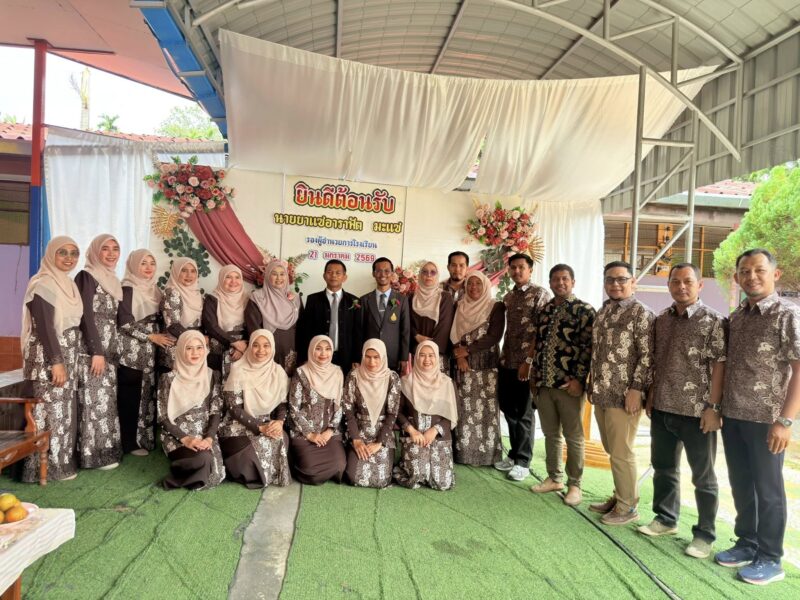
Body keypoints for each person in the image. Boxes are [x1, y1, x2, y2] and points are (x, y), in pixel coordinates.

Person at [714, 249, 800, 586]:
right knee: (741, 484)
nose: (752, 276)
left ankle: (770, 557)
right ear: (737, 277)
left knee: (768, 489)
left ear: (775, 275)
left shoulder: (787, 315)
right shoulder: (737, 317)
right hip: (734, 416)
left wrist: (786, 421)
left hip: (768, 420)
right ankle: (747, 542)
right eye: (745, 271)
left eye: (759, 270)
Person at [637, 263, 725, 559]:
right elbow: (656, 362)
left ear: (700, 285)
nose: (681, 286)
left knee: (703, 476)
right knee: (663, 468)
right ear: (669, 285)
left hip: (697, 412)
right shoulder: (662, 319)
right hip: (663, 407)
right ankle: (665, 518)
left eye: (688, 281)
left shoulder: (714, 321)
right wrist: (652, 394)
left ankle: (704, 535)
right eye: (675, 281)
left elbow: (720, 366)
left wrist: (713, 407)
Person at [589, 260, 654, 526]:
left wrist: (637, 389)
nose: (615, 284)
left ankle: (628, 507)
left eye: (621, 279)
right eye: (610, 279)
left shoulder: (641, 313)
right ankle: (620, 496)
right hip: (601, 391)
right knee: (611, 448)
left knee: (621, 451)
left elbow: (648, 356)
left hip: (624, 395)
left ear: (633, 282)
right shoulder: (604, 311)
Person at [529, 264, 595, 507]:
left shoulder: (584, 310)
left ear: (573, 282)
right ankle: (554, 478)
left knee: (573, 436)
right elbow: (538, 344)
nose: (560, 283)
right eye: (555, 279)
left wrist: (579, 380)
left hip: (569, 385)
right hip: (545, 383)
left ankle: (575, 484)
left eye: (565, 279)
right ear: (550, 282)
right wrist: (535, 377)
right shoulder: (545, 310)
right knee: (550, 434)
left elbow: (588, 349)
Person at [20, 236, 84, 482]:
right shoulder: (43, 283)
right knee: (48, 413)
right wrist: (56, 361)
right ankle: (41, 469)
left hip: (66, 355)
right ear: (50, 255)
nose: (69, 258)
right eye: (62, 252)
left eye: (74, 253)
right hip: (47, 358)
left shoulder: (68, 284)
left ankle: (59, 465)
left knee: (61, 413)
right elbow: (45, 328)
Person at [495, 253, 551, 482]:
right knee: (509, 410)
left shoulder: (540, 294)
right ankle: (514, 453)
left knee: (524, 413)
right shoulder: (509, 297)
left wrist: (528, 362)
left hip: (526, 365)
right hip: (507, 360)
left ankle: (523, 462)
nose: (517, 271)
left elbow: (542, 332)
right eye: (513, 268)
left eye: (521, 267)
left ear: (530, 270)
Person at [117, 249, 174, 456]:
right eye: (143, 263)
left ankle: (144, 440)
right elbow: (124, 322)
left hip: (152, 352)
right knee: (131, 396)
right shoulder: (127, 288)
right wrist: (151, 337)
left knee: (147, 396)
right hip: (133, 351)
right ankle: (129, 443)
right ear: (133, 265)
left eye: (152, 263)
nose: (149, 267)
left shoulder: (156, 290)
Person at [74, 233, 123, 470]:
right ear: (95, 251)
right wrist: (96, 351)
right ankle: (92, 456)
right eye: (105, 248)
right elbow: (85, 315)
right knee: (93, 402)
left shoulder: (112, 279)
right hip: (92, 351)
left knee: (105, 401)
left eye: (115, 248)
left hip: (108, 350)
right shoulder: (87, 276)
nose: (111, 253)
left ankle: (106, 452)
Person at [219, 329, 291, 489]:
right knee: (250, 455)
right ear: (250, 346)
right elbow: (234, 408)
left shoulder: (278, 371)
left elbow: (282, 403)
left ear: (272, 347)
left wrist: (279, 422)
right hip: (237, 424)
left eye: (266, 345)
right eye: (256, 345)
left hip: (267, 421)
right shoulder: (238, 369)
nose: (261, 350)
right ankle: (251, 474)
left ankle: (266, 473)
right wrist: (259, 427)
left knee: (281, 438)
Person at [157, 330, 225, 490]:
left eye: (199, 347)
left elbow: (216, 410)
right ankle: (175, 477)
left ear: (205, 350)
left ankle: (190, 467)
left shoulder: (212, 375)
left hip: (205, 434)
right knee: (203, 459)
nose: (195, 353)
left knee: (214, 470)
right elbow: (162, 417)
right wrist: (186, 439)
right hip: (177, 436)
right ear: (181, 350)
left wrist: (209, 438)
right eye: (189, 348)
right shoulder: (168, 379)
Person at [450, 271, 505, 465]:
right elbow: (453, 333)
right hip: (464, 367)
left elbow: (494, 336)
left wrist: (467, 351)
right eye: (470, 284)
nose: (474, 287)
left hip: (487, 367)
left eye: (478, 283)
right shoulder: (459, 305)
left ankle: (488, 456)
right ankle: (464, 454)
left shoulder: (495, 306)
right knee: (465, 410)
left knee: (487, 412)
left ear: (485, 286)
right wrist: (459, 357)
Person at [393, 341, 457, 490]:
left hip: (439, 437)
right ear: (416, 358)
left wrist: (435, 430)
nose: (427, 359)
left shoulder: (447, 383)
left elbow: (453, 414)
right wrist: (411, 430)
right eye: (422, 355)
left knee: (442, 483)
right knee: (416, 476)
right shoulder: (406, 382)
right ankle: (404, 465)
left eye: (431, 355)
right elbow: (397, 412)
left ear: (437, 358)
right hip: (415, 437)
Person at [287, 335, 346, 485]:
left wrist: (330, 430)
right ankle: (295, 461)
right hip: (304, 433)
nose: (323, 353)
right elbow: (294, 407)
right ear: (311, 350)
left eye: (327, 349)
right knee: (312, 473)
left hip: (328, 433)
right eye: (318, 349)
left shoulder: (337, 372)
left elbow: (339, 405)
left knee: (339, 467)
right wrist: (310, 434)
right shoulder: (301, 373)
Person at [343, 339, 401, 488]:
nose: (372, 362)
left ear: (383, 357)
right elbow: (348, 410)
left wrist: (379, 443)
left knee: (381, 480)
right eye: (368, 357)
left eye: (376, 357)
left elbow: (392, 414)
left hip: (382, 434)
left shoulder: (392, 378)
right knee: (353, 476)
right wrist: (356, 439)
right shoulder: (354, 376)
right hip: (359, 432)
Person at [296, 259, 360, 371]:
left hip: (346, 357)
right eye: (329, 272)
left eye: (338, 273)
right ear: (324, 276)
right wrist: (304, 357)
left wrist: (357, 358)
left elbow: (358, 332)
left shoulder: (354, 301)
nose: (333, 275)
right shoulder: (313, 300)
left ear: (344, 277)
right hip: (318, 356)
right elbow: (305, 330)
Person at [246, 259, 303, 375]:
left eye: (282, 274)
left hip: (292, 350)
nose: (279, 278)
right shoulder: (257, 298)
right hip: (266, 351)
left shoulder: (295, 299)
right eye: (274, 274)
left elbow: (303, 327)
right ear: (267, 276)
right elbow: (254, 328)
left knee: (289, 382)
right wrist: (262, 349)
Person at [359, 257, 410, 372]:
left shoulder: (402, 300)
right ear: (373, 274)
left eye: (387, 271)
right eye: (378, 271)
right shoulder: (364, 300)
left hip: (393, 356)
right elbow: (359, 330)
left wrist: (404, 357)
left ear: (392, 274)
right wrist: (358, 357)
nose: (382, 274)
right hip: (370, 358)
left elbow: (405, 330)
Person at [203, 264, 248, 381]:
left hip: (244, 349)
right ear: (221, 279)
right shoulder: (212, 298)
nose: (233, 281)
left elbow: (253, 324)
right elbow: (211, 326)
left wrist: (244, 345)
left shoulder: (248, 299)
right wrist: (234, 343)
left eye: (237, 277)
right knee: (216, 383)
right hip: (219, 346)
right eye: (228, 277)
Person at [159, 257, 204, 372]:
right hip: (176, 346)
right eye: (184, 270)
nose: (189, 275)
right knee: (175, 381)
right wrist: (195, 340)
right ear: (176, 272)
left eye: (193, 271)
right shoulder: (172, 292)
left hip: (194, 348)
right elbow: (173, 325)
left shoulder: (197, 294)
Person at [410, 261, 455, 366]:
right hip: (416, 351)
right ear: (420, 275)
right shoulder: (411, 297)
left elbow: (444, 326)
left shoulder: (445, 297)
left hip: (437, 353)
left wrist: (430, 349)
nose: (428, 275)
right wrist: (416, 335)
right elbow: (407, 322)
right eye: (424, 272)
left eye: (433, 272)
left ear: (437, 275)